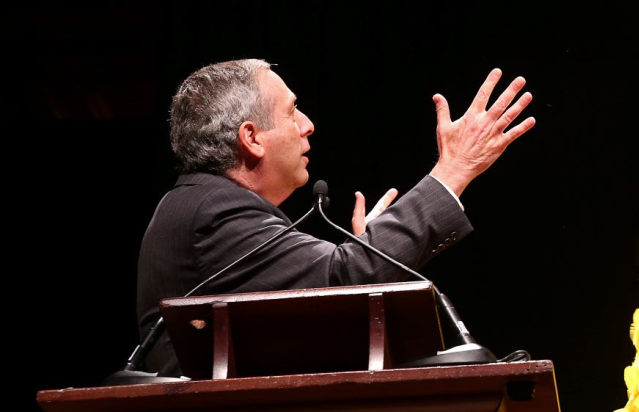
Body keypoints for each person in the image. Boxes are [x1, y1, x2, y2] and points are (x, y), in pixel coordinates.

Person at [134, 59, 535, 377]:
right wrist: (455, 169)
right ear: (252, 138)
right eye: (292, 112)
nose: (308, 125)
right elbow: (343, 276)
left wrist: (363, 265)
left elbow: (317, 311)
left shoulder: (203, 203)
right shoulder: (214, 210)